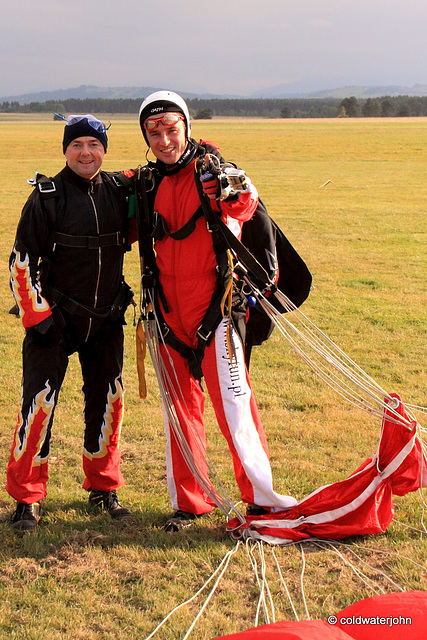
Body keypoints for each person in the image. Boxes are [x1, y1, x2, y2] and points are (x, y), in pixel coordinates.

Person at [137, 91, 297, 531]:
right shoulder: (147, 182)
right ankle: (190, 503)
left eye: (172, 129)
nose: (164, 139)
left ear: (186, 127)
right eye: (154, 132)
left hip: (217, 311)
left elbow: (245, 206)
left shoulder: (212, 170)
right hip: (167, 314)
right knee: (179, 413)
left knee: (235, 409)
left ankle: (263, 502)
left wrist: (233, 186)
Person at [7, 114, 135, 531]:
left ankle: (103, 487)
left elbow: (162, 185)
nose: (86, 153)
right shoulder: (47, 196)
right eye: (77, 145)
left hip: (105, 322)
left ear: (104, 150)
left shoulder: (119, 191)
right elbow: (20, 261)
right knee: (38, 407)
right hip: (54, 324)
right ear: (66, 150)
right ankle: (27, 499)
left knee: (109, 405)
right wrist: (37, 317)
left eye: (94, 145)